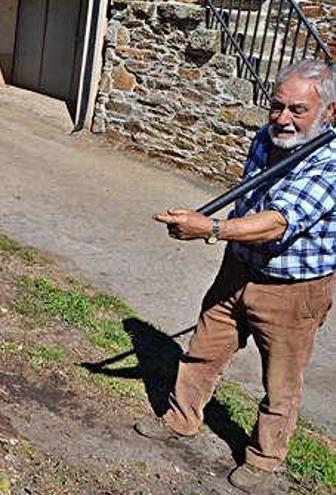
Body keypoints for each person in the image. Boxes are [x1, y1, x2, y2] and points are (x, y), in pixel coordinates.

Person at [135, 59, 336, 493]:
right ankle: (182, 418)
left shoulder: (331, 161)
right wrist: (220, 230)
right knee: (204, 348)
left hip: (293, 288)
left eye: (297, 110)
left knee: (281, 382)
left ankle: (264, 459)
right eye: (276, 106)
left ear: (329, 111)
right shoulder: (266, 137)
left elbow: (279, 221)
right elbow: (251, 197)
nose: (283, 118)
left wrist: (207, 228)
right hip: (239, 265)